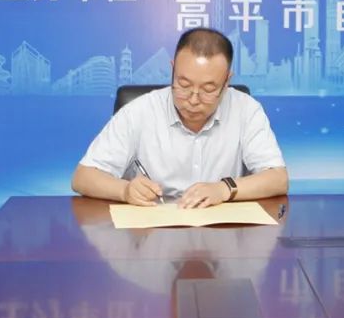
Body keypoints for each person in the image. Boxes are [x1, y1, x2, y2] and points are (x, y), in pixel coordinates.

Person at [72, 27, 288, 208]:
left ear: (226, 81)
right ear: (173, 69)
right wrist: (125, 190)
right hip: (152, 235)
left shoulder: (246, 109)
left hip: (222, 235)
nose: (193, 99)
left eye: (208, 89)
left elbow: (278, 179)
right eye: (183, 85)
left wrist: (224, 189)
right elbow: (83, 177)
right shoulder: (139, 111)